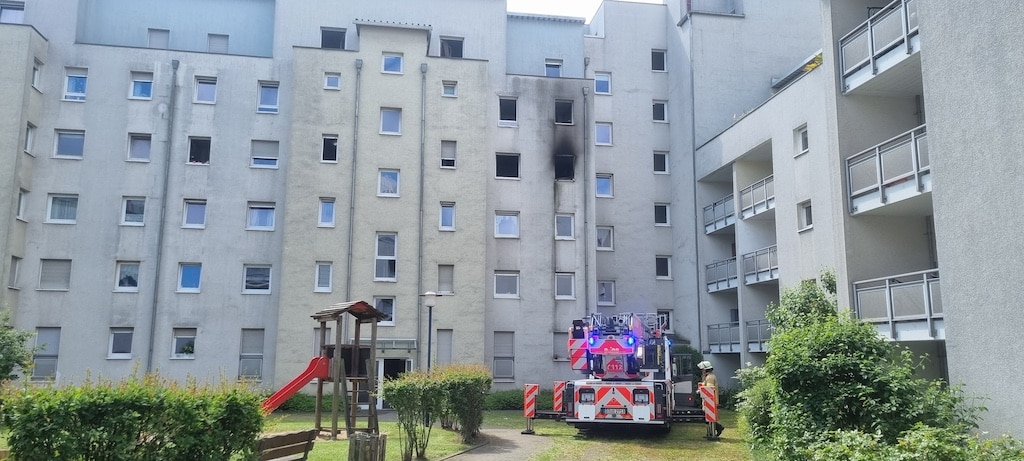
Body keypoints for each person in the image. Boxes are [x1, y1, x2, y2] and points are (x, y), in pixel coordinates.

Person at [697, 360, 725, 438]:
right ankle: (710, 432)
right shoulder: (709, 376)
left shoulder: (709, 378)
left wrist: (700, 390)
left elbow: (709, 388)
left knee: (710, 418)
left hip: (710, 401)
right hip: (709, 400)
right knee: (708, 418)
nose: (701, 371)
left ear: (705, 369)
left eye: (702, 369)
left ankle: (718, 428)